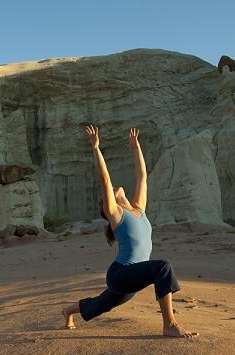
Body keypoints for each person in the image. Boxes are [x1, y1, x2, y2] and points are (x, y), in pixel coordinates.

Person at [61, 124, 198, 338]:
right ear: (108, 205)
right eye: (111, 192)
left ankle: (68, 311)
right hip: (120, 273)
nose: (115, 187)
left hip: (133, 276)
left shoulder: (138, 209)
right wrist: (96, 148)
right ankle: (169, 325)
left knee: (101, 304)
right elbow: (104, 179)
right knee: (163, 267)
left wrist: (136, 148)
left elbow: (142, 176)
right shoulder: (116, 214)